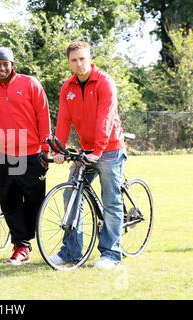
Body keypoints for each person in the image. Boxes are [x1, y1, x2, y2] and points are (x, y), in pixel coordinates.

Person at [0, 47, 51, 266]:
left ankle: (25, 239)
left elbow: (43, 116)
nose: (2, 68)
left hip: (32, 154)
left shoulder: (30, 83)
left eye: (5, 64)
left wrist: (46, 148)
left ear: (12, 64)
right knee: (9, 203)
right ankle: (21, 245)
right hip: (5, 156)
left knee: (35, 203)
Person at [52, 41, 126, 269]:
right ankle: (71, 251)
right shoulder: (67, 87)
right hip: (87, 149)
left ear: (89, 58)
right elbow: (63, 121)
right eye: (74, 60)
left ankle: (111, 254)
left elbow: (106, 118)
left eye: (82, 59)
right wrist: (57, 149)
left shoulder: (104, 83)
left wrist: (98, 151)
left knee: (111, 200)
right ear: (68, 62)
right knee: (71, 195)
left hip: (110, 148)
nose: (79, 64)